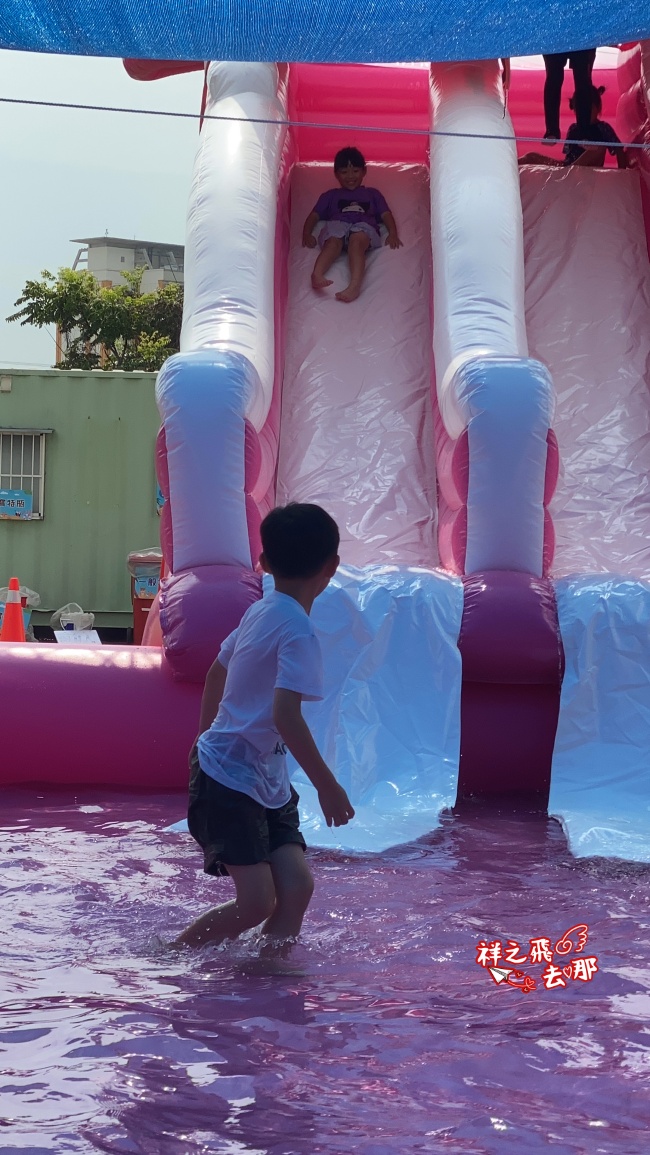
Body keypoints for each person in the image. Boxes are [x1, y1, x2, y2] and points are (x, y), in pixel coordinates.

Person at [176, 502, 355, 954]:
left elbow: (217, 672)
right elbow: (286, 716)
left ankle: (268, 969)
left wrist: (202, 739)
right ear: (332, 566)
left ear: (265, 562)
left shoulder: (263, 610)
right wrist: (328, 787)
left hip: (259, 777)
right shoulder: (297, 631)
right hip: (231, 780)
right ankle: (169, 956)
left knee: (296, 887)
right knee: (257, 902)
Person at [302, 146, 402, 303]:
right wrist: (306, 233)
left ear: (364, 171)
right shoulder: (330, 195)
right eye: (344, 172)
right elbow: (314, 216)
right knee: (333, 241)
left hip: (364, 225)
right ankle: (317, 274)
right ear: (336, 174)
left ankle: (354, 286)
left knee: (356, 242)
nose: (350, 176)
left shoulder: (372, 194)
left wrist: (393, 233)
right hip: (338, 223)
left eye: (355, 171)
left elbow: (386, 214)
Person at [519, 86, 630, 169]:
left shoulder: (603, 128)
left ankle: (572, 169)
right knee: (531, 156)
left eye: (588, 109)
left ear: (598, 108)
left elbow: (619, 151)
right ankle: (505, 166)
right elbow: (568, 156)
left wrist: (621, 173)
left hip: (588, 168)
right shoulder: (573, 128)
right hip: (568, 166)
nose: (584, 113)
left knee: (599, 149)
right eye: (580, 110)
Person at [542, 49, 596, 141]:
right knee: (554, 78)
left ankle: (584, 131)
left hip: (582, 38)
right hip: (556, 38)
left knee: (583, 80)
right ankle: (551, 130)